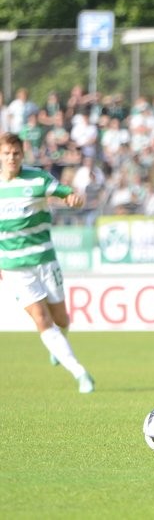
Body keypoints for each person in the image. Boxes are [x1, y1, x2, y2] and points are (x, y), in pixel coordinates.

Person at [0, 133, 94, 393]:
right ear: (0, 155)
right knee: (41, 319)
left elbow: (68, 194)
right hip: (14, 267)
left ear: (22, 154)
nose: (11, 157)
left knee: (61, 319)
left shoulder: (38, 179)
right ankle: (80, 373)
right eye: (6, 153)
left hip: (44, 259)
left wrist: (73, 199)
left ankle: (59, 346)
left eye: (16, 153)